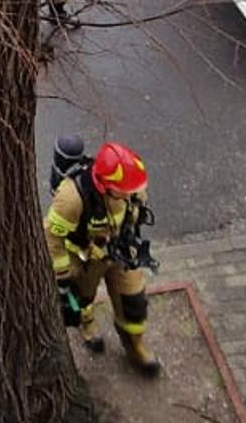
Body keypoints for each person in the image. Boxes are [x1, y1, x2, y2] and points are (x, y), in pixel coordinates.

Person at [46, 141, 160, 376]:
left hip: (119, 251)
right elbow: (52, 238)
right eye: (124, 190)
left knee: (134, 302)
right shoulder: (71, 198)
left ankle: (135, 345)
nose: (130, 194)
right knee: (82, 298)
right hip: (84, 257)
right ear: (104, 185)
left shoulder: (131, 188)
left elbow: (136, 209)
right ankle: (87, 325)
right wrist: (62, 277)